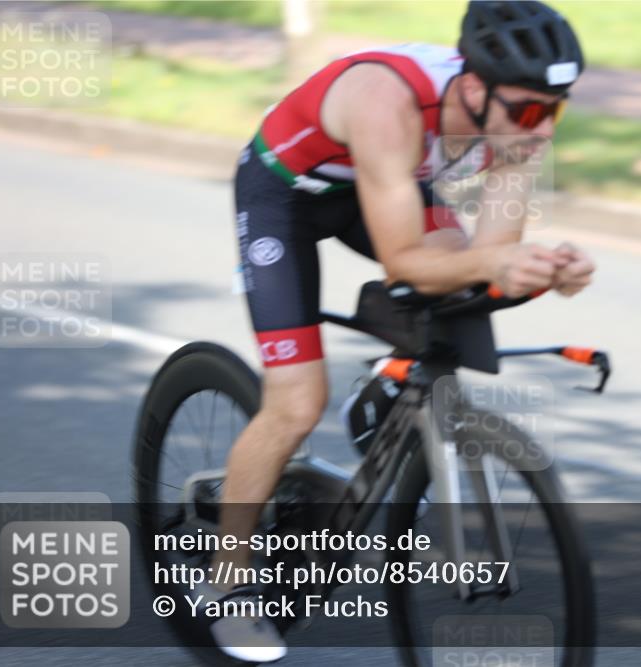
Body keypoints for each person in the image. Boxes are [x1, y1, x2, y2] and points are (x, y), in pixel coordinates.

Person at [208, 1, 594, 661]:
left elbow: (486, 268)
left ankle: (395, 390)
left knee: (461, 293)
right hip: (286, 197)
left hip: (384, 186)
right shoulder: (385, 100)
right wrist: (493, 261)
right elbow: (405, 261)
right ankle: (227, 582)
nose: (542, 130)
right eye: (530, 111)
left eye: (556, 110)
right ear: (474, 88)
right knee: (296, 402)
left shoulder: (516, 125)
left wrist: (544, 269)